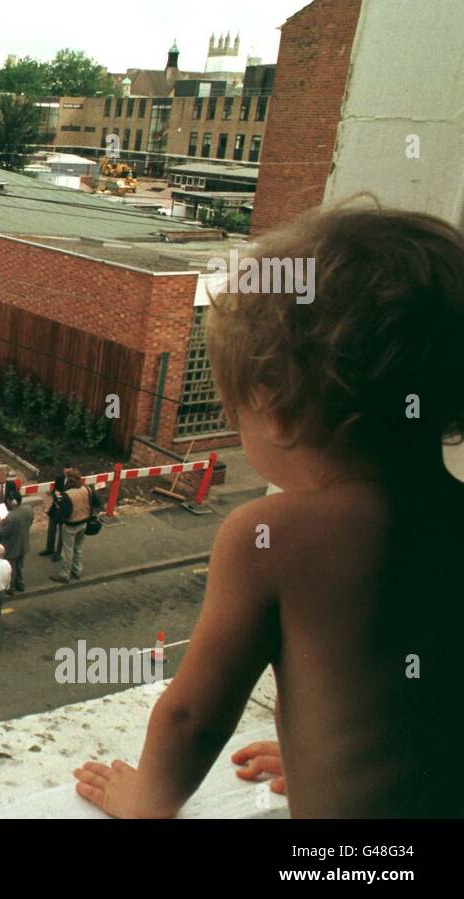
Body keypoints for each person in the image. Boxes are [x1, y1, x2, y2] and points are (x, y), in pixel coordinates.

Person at [72, 205, 464, 819]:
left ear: (275, 410)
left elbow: (194, 716)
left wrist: (145, 799)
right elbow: (423, 700)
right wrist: (328, 751)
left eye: (237, 406)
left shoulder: (273, 537)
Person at [48, 469, 99, 584]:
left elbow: (65, 513)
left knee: (67, 551)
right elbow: (97, 503)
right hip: (84, 523)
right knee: (78, 548)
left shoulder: (68, 495)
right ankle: (77, 571)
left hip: (71, 525)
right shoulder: (87, 489)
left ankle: (64, 575)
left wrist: (59, 505)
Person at [0, 496, 34, 592]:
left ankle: (11, 587)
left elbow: (3, 533)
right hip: (23, 543)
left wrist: (0, 524)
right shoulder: (28, 509)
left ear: (10, 502)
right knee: (20, 566)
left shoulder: (10, 517)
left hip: (11, 546)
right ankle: (20, 584)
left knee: (11, 568)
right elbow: (30, 522)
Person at [39, 466, 71, 561]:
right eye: (65, 468)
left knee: (62, 532)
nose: (66, 470)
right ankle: (49, 549)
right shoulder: (59, 478)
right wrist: (56, 498)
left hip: (64, 510)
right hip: (56, 508)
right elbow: (55, 490)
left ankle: (59, 552)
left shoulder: (73, 481)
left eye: (69, 468)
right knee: (51, 530)